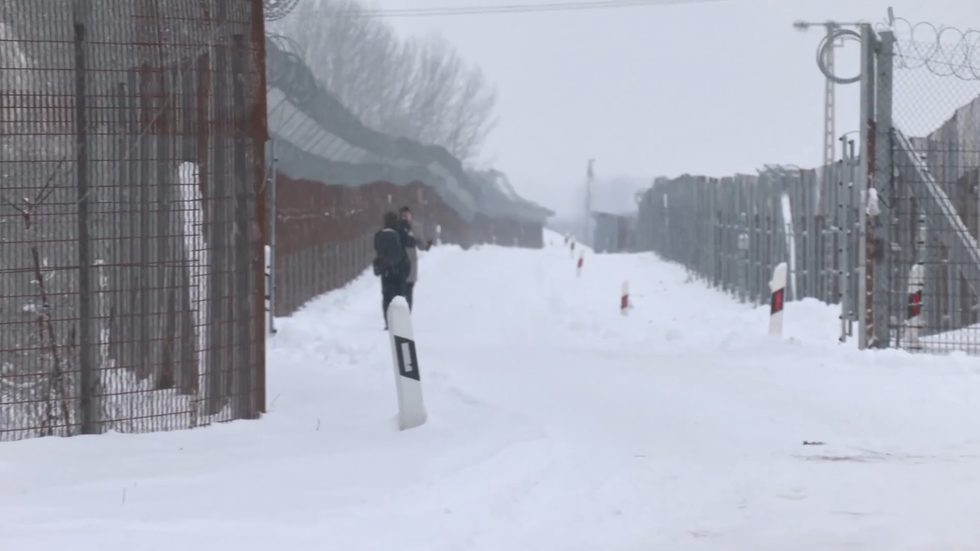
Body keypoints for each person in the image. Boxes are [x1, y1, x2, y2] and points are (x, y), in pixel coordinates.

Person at [373, 211, 414, 329]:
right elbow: (410, 242)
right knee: (399, 295)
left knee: (386, 296)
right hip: (399, 269)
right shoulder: (399, 233)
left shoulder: (379, 235)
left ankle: (388, 322)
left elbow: (376, 248)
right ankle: (399, 320)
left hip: (385, 270)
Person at [399, 206, 433, 311]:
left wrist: (426, 245)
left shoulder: (416, 227)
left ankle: (407, 313)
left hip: (411, 263)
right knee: (399, 291)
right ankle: (399, 313)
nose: (405, 218)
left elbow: (421, 244)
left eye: (407, 215)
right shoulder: (396, 227)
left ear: (411, 216)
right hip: (398, 263)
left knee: (408, 290)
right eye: (403, 216)